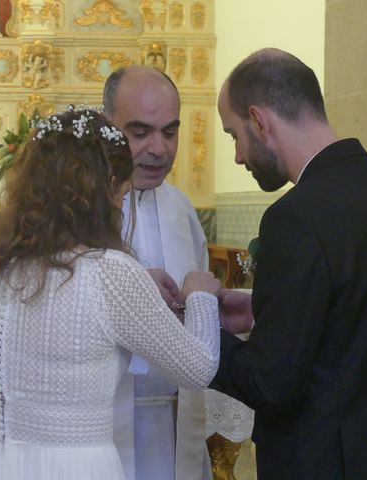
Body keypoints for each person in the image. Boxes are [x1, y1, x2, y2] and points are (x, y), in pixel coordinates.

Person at [0, 106, 221, 480]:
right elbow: (198, 368)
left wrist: (137, 291)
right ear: (101, 193)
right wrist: (200, 293)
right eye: (121, 197)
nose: (121, 210)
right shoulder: (110, 274)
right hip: (68, 466)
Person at [212, 48, 367, 479]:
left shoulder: (293, 217)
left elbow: (271, 385)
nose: (239, 155)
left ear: (259, 121)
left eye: (233, 134)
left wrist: (204, 328)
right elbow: (355, 327)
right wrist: (262, 311)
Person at [103, 66, 212, 480]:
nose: (159, 148)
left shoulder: (181, 209)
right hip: (101, 425)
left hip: (174, 422)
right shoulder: (79, 215)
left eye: (169, 132)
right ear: (108, 125)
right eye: (140, 131)